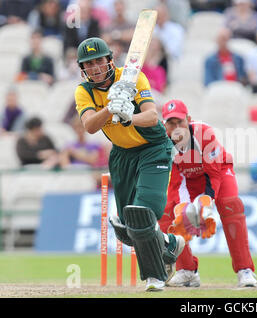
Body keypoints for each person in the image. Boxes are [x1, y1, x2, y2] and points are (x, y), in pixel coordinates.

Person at [74, 37, 185, 292]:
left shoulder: (133, 77)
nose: (95, 68)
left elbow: (152, 116)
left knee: (141, 213)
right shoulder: (84, 91)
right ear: (82, 68)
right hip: (122, 155)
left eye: (99, 61)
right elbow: (90, 126)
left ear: (109, 60)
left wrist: (128, 117)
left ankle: (154, 277)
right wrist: (111, 107)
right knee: (126, 229)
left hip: (152, 149)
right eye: (88, 64)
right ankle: (168, 244)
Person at [159, 99, 257, 288]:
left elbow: (213, 174)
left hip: (218, 172)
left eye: (180, 122)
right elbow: (175, 184)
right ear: (165, 125)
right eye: (171, 123)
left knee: (230, 205)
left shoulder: (204, 134)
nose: (177, 128)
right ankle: (187, 271)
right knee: (167, 214)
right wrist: (184, 212)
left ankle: (245, 270)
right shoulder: (163, 144)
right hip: (188, 180)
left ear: (188, 119)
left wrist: (206, 204)